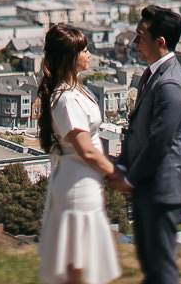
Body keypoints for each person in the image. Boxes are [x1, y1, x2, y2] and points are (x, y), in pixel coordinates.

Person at [111, 5, 181, 284]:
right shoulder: (153, 75)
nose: (134, 43)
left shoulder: (170, 85)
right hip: (151, 186)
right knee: (152, 267)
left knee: (161, 270)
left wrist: (130, 178)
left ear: (160, 42)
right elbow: (140, 133)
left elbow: (159, 142)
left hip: (163, 187)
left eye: (140, 36)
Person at [37, 24, 121, 284]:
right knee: (76, 264)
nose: (89, 54)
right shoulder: (66, 99)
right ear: (68, 56)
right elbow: (86, 150)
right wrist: (117, 175)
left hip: (84, 184)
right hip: (76, 188)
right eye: (83, 50)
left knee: (80, 263)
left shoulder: (76, 89)